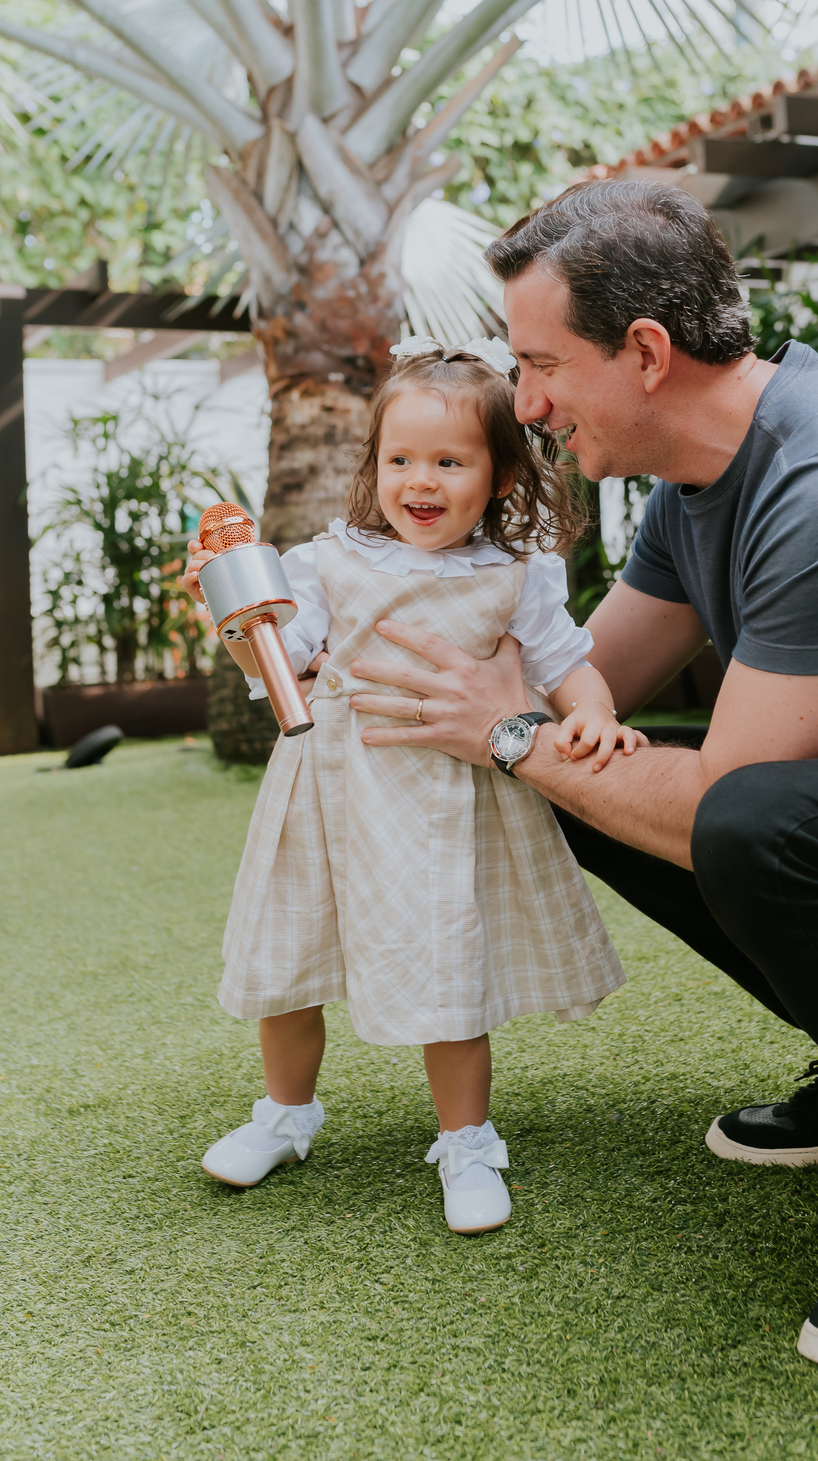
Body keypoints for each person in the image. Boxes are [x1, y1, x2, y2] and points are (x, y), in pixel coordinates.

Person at [344, 178, 818, 1378]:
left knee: (744, 821)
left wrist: (512, 734)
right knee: (589, 768)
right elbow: (595, 682)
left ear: (643, 353)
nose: (523, 407)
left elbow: (732, 798)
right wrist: (351, 630)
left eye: (538, 367)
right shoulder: (697, 482)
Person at [181, 336, 635, 1236]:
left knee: (446, 961)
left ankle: (467, 1140)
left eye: (449, 461)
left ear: (502, 476)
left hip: (446, 801)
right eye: (401, 459)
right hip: (330, 786)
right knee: (290, 959)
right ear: (375, 466)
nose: (419, 481)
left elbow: (567, 663)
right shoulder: (333, 559)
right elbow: (281, 663)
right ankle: (285, 1113)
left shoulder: (514, 576)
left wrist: (595, 713)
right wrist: (234, 613)